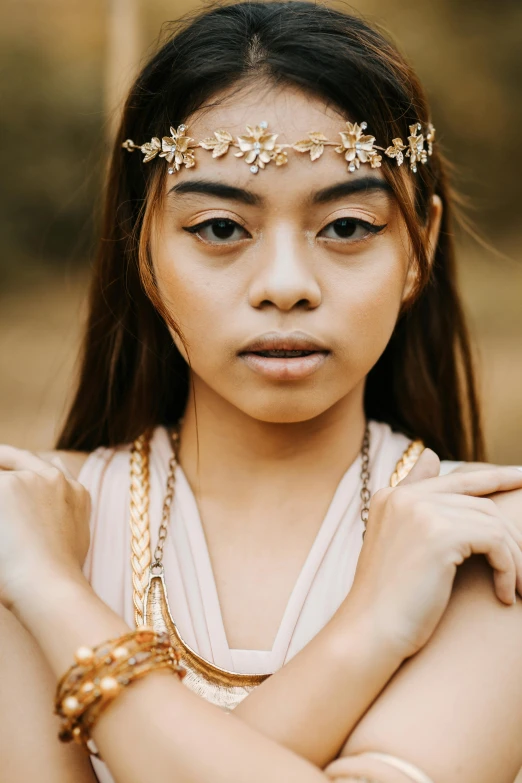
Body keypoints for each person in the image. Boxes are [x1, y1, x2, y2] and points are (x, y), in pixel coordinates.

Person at [1, 2, 521, 782]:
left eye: (347, 227)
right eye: (219, 228)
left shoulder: (488, 543)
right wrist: (371, 629)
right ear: (140, 247)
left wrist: (56, 601)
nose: (286, 285)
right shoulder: (26, 523)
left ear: (421, 248)